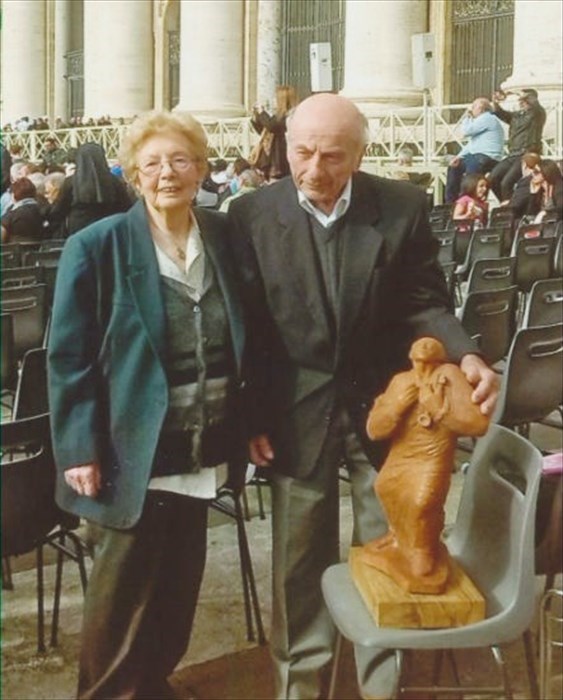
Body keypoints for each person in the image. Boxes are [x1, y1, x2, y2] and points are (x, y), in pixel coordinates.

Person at [228, 93, 498, 700]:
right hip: (293, 415)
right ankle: (300, 686)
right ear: (285, 147)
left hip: (388, 416)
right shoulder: (248, 215)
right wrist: (249, 417)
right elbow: (245, 330)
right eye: (302, 153)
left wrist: (467, 353)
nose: (315, 170)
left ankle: (383, 685)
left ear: (360, 153)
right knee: (299, 568)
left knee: (401, 555)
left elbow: (424, 300)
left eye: (332, 155)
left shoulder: (399, 206)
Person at [47, 109, 247, 700]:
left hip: (202, 441)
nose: (168, 173)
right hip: (129, 450)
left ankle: (154, 685)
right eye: (153, 163)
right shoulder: (97, 245)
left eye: (181, 160)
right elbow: (69, 356)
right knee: (119, 605)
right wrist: (79, 447)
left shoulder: (224, 236)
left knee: (177, 591)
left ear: (202, 169)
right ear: (133, 176)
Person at [361, 337, 489, 595]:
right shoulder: (401, 382)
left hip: (433, 455)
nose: (425, 370)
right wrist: (397, 408)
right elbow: (374, 429)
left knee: (422, 502)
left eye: (431, 363)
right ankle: (397, 536)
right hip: (403, 455)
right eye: (420, 363)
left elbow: (477, 425)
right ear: (411, 360)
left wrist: (440, 410)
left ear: (441, 360)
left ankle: (422, 548)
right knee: (384, 487)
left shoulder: (451, 378)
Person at [48, 141, 133, 236]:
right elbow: (126, 208)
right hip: (109, 232)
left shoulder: (71, 183)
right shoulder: (115, 182)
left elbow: (58, 211)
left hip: (79, 233)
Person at [489, 88, 546, 202]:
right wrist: (496, 100)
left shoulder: (537, 114)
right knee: (492, 179)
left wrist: (515, 93)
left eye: (524, 99)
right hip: (513, 154)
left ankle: (511, 210)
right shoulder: (515, 116)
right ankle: (507, 204)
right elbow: (498, 112)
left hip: (526, 154)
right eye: (520, 100)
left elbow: (533, 103)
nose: (521, 102)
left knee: (507, 182)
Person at [445, 97, 504, 203]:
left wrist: (467, 117)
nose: (471, 110)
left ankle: (469, 201)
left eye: (473, 107)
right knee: (454, 167)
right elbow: (472, 144)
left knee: (470, 179)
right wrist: (458, 157)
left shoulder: (487, 118)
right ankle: (452, 203)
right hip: (477, 155)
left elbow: (466, 131)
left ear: (481, 108)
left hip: (487, 156)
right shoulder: (481, 121)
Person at [250, 85, 298, 180]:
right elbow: (265, 131)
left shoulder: (290, 116)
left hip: (281, 160)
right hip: (272, 157)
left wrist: (262, 113)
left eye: (275, 98)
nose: (273, 100)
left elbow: (272, 126)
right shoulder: (277, 116)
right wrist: (256, 117)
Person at [509, 158, 563, 223]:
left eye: (536, 172)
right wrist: (533, 194)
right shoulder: (540, 190)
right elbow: (531, 215)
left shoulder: (559, 188)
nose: (532, 174)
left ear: (546, 173)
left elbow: (560, 209)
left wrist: (545, 212)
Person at [1, 176, 46, 243]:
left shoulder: (12, 214)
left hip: (13, 251)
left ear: (13, 195)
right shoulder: (43, 210)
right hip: (38, 250)